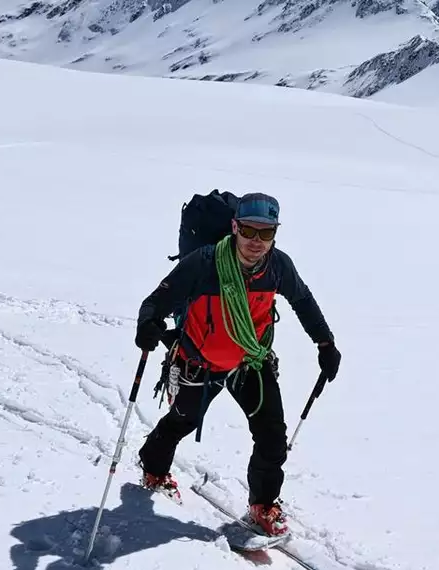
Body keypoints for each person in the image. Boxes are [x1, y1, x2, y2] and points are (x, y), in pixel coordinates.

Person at [134, 192, 341, 536]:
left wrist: (325, 342)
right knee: (182, 421)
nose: (256, 241)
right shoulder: (204, 262)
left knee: (272, 434)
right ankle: (153, 466)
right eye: (248, 231)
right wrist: (148, 324)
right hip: (199, 362)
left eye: (266, 233)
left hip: (251, 361)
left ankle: (263, 504)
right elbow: (157, 300)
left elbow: (302, 300)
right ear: (234, 227)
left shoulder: (278, 265)